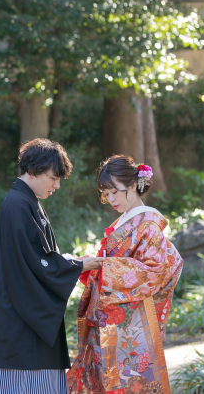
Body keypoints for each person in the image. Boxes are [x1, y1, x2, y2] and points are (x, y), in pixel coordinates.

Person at [0, 139, 104, 394]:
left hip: (22, 315)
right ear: (32, 170)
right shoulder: (18, 204)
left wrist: (71, 262)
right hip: (21, 323)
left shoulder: (25, 202)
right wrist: (77, 264)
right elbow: (36, 262)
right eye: (53, 177)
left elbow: (39, 257)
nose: (57, 185)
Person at [66, 155, 183, 394]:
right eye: (105, 194)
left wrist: (104, 267)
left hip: (131, 318)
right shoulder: (129, 220)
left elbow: (155, 270)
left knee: (126, 380)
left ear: (133, 186)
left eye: (114, 192)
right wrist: (92, 264)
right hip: (113, 313)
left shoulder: (148, 223)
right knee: (104, 377)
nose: (110, 199)